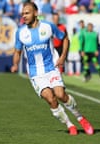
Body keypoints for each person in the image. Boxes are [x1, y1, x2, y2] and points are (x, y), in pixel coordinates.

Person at [11, 2, 94, 136]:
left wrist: (62, 57)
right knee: (51, 99)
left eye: (27, 13)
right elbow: (17, 51)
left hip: (51, 68)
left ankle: (81, 118)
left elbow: (65, 38)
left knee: (61, 94)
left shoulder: (48, 27)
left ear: (36, 13)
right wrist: (15, 64)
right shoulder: (21, 32)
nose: (24, 16)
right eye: (23, 14)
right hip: (35, 73)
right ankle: (69, 124)